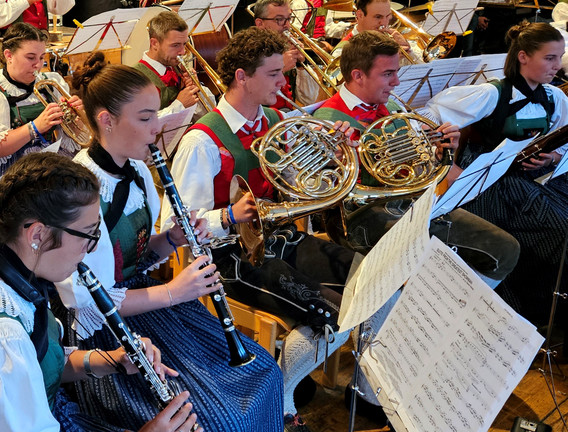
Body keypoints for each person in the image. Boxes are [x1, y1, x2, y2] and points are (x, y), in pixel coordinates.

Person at [165, 28, 385, 431]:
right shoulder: (202, 141)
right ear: (241, 77)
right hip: (227, 257)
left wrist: (331, 153)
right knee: (335, 316)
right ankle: (278, 401)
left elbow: (300, 182)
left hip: (278, 238)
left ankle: (365, 389)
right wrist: (228, 216)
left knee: (378, 280)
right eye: (273, 74)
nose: (284, 82)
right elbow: (174, 225)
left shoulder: (275, 121)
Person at [58, 55, 284, 432]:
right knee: (218, 420)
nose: (157, 127)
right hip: (105, 331)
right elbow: (87, 300)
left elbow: (136, 256)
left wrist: (172, 239)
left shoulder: (139, 170)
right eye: (146, 118)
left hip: (148, 303)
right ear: (106, 120)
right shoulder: (80, 189)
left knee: (266, 373)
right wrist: (175, 291)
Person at [0, 152, 200, 432]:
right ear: (37, 235)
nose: (92, 249)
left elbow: (41, 363)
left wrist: (112, 360)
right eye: (88, 235)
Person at [313, 31, 519, 289]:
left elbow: (424, 166)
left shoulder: (393, 108)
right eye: (388, 74)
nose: (397, 82)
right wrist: (334, 162)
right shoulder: (326, 120)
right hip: (358, 217)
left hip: (410, 203)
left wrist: (443, 151)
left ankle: (462, 305)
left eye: (397, 72)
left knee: (506, 248)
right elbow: (318, 191)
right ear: (358, 75)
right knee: (432, 270)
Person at [421, 23, 567, 324]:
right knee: (558, 228)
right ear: (523, 57)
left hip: (528, 181)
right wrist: (449, 164)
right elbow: (430, 113)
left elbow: (562, 140)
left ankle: (553, 310)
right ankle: (528, 312)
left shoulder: (554, 97)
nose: (558, 65)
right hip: (491, 181)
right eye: (550, 58)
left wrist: (552, 157)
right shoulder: (491, 93)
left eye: (559, 57)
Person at [0, 22, 81, 201]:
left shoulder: (51, 82)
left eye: (42, 57)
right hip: (12, 172)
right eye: (30, 58)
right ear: (9, 55)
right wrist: (35, 127)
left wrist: (75, 117)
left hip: (49, 161)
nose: (38, 65)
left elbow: (75, 137)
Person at [133, 9, 208, 119]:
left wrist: (196, 89)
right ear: (154, 43)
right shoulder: (134, 78)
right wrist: (179, 105)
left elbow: (204, 116)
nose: (182, 52)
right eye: (175, 45)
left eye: (184, 44)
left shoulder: (176, 68)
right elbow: (140, 122)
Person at [333, 0, 421, 64]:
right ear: (360, 15)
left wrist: (409, 53)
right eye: (378, 17)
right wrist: (390, 62)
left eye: (387, 16)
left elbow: (421, 70)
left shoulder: (391, 41)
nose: (384, 23)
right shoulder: (342, 52)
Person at [252, 0, 307, 107]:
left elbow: (308, 99)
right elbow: (249, 96)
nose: (287, 26)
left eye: (289, 19)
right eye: (279, 19)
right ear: (260, 23)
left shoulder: (285, 47)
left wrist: (301, 65)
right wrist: (280, 68)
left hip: (287, 112)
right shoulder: (249, 52)